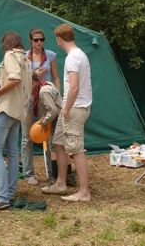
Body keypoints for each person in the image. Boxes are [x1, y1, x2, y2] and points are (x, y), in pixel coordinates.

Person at [41, 23, 92, 202]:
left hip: (74, 109)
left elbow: (74, 86)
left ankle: (84, 192)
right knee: (59, 144)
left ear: (59, 39)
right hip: (71, 107)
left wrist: (66, 109)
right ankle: (61, 183)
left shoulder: (72, 57)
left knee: (76, 149)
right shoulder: (80, 55)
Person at [0, 32, 32, 211]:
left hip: (5, 108)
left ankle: (2, 197)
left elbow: (15, 79)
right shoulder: (26, 60)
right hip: (18, 111)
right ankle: (9, 192)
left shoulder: (10, 56)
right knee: (13, 153)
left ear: (6, 44)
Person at [22, 28, 61, 185]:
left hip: (45, 100)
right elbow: (21, 79)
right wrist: (33, 75)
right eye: (36, 39)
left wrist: (56, 93)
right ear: (30, 40)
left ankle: (51, 173)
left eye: (42, 39)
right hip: (28, 99)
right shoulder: (24, 57)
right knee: (26, 138)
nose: (39, 42)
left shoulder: (51, 55)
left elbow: (56, 77)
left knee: (49, 137)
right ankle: (28, 174)